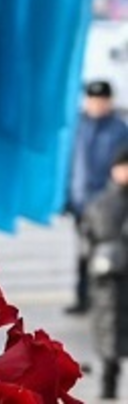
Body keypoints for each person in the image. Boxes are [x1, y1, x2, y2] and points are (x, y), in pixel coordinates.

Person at [71, 79, 128, 314]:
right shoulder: (78, 127)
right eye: (93, 100)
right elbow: (70, 166)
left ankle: (109, 299)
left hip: (108, 204)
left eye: (102, 100)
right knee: (84, 251)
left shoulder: (119, 129)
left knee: (109, 252)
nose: (97, 104)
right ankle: (84, 298)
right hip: (82, 201)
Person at [83, 146, 128, 398]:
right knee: (109, 333)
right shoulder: (101, 203)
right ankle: (108, 388)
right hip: (109, 280)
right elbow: (89, 236)